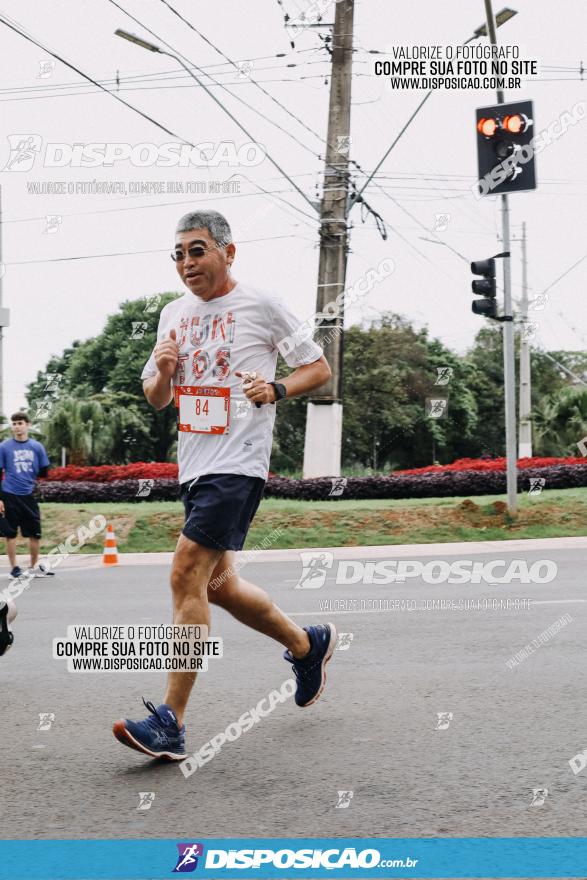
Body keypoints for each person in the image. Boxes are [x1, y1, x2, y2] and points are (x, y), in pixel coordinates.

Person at [113, 210, 337, 761]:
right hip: (194, 464)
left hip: (238, 463)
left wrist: (276, 388)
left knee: (185, 569)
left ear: (227, 252)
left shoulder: (262, 303)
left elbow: (318, 367)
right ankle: (306, 646)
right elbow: (156, 397)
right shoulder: (173, 314)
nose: (187, 263)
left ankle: (171, 721)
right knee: (220, 588)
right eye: (180, 254)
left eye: (198, 250)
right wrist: (163, 370)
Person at [0, 412, 54, 579]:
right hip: (9, 494)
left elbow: (44, 471)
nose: (17, 426)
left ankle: (32, 567)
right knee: (10, 534)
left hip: (28, 495)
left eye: (20, 423)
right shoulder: (4, 447)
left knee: (34, 533)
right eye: (14, 423)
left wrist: (32, 477)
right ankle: (15, 568)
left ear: (28, 425)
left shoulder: (36, 447)